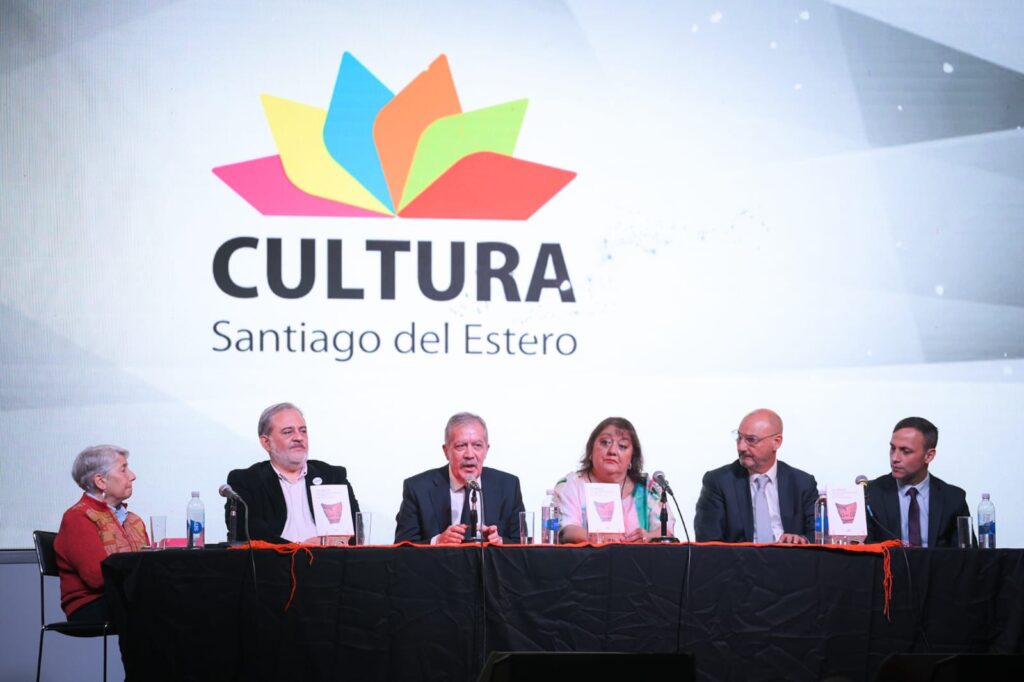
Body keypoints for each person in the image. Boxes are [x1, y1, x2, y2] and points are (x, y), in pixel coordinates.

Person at [226, 402, 359, 544]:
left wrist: (323, 545)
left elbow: (356, 530)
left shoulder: (332, 476)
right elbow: (248, 532)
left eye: (303, 431)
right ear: (266, 442)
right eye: (288, 432)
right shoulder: (247, 481)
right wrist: (300, 549)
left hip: (328, 556)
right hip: (277, 557)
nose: (299, 437)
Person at [394, 412, 525, 544]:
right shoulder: (418, 489)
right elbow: (402, 549)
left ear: (486, 450)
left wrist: (499, 541)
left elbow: (523, 546)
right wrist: (437, 542)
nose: (469, 455)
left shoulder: (508, 487)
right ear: (446, 451)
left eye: (477, 445)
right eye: (461, 446)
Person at [54, 445, 149, 623]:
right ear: (101, 481)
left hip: (128, 598)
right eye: (123, 469)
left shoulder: (134, 521)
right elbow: (97, 577)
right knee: (161, 607)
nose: (132, 476)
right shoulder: (78, 517)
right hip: (90, 604)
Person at [694, 409, 816, 544]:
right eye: (739, 437)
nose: (741, 447)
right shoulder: (718, 482)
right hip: (739, 557)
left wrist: (802, 540)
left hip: (790, 556)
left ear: (776, 442)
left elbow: (818, 535)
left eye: (751, 440)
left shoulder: (803, 483)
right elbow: (708, 542)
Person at [554, 417, 674, 543]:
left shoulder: (646, 489)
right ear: (591, 450)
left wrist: (648, 537)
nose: (612, 451)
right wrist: (598, 538)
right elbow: (567, 531)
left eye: (622, 446)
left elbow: (667, 531)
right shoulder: (571, 485)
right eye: (605, 442)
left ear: (632, 457)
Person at [865, 417, 968, 547]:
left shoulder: (953, 499)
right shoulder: (869, 494)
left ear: (929, 456)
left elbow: (968, 555)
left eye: (905, 451)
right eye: (893, 448)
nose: (895, 458)